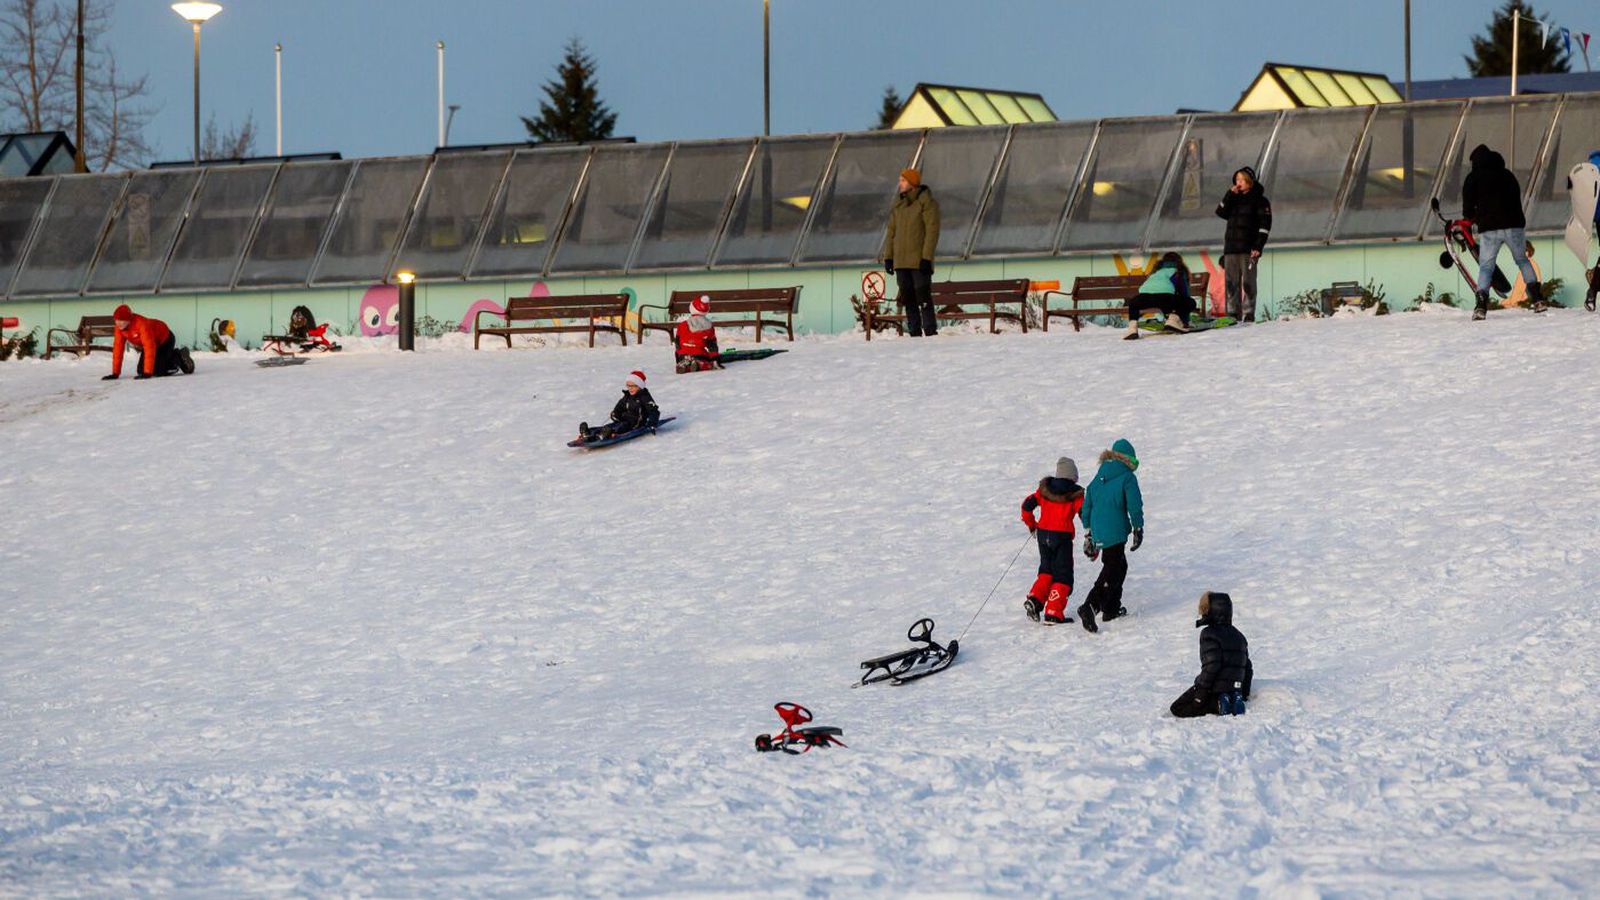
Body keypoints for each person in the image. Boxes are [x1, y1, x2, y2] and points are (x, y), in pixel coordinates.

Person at [1462, 144, 1543, 320]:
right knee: (1522, 260)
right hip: (1514, 225)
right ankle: (1537, 300)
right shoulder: (1507, 175)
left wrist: (1473, 216)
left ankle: (1481, 307)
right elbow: (1516, 198)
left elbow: (1467, 207)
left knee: (1486, 267)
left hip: (1489, 228)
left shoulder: (1474, 177)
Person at [1078, 438, 1144, 633]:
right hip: (1114, 530)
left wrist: (1088, 533)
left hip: (1098, 529)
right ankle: (1091, 605)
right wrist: (1137, 527)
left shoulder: (1098, 478)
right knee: (1113, 567)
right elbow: (1134, 504)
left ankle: (1111, 609)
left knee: (1119, 565)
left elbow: (1086, 506)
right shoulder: (1127, 477)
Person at [1020, 457, 1084, 626]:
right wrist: (1091, 532)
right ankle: (1053, 612)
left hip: (1043, 535)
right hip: (1062, 537)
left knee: (1046, 570)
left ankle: (1035, 599)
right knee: (1063, 574)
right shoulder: (1075, 493)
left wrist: (1032, 525)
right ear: (1073, 476)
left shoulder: (1044, 490)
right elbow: (1084, 512)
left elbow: (1026, 506)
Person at [1170, 591, 1253, 718]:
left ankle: (1217, 703)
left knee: (1177, 708)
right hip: (1235, 688)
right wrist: (1243, 694)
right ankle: (1233, 699)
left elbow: (1212, 666)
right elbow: (1247, 667)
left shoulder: (1209, 633)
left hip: (1215, 689)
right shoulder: (1239, 635)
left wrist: (1200, 695)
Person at [882, 168, 941, 337]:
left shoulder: (927, 203)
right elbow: (891, 232)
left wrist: (926, 257)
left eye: (903, 180)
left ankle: (930, 330)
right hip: (901, 261)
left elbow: (932, 231)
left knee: (923, 296)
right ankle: (914, 331)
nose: (900, 184)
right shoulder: (898, 205)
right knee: (908, 297)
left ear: (912, 183)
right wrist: (889, 257)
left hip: (919, 260)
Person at [1214, 166, 1271, 323]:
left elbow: (1265, 226)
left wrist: (1258, 247)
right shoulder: (1233, 199)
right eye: (1237, 180)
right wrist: (1229, 195)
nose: (1239, 183)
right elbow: (1220, 212)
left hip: (1248, 249)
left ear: (1249, 182)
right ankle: (1232, 312)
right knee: (1231, 282)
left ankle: (1249, 312)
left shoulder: (1260, 201)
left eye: (1242, 180)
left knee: (1248, 282)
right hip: (1231, 248)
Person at [101, 304, 193, 380]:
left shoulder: (142, 325)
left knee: (158, 371)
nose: (118, 323)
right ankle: (162, 363)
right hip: (152, 344)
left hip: (165, 339)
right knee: (141, 371)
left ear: (128, 320)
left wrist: (148, 373)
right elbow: (118, 348)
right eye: (117, 320)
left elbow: (149, 347)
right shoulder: (119, 329)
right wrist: (115, 373)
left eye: (122, 320)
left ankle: (178, 355)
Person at [1123, 252, 1198, 339]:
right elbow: (1184, 294)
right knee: (1190, 302)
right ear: (1179, 262)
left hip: (1141, 298)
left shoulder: (1155, 272)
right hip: (1164, 298)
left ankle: (1132, 329)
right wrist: (1185, 322)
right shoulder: (1178, 271)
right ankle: (1173, 320)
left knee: (1134, 304)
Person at [579, 370, 660, 442]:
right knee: (608, 426)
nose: (630, 388)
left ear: (640, 386)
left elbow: (654, 411)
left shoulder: (645, 397)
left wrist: (652, 424)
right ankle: (588, 432)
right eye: (628, 386)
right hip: (623, 419)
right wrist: (615, 413)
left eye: (633, 386)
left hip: (635, 423)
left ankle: (606, 434)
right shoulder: (627, 396)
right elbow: (620, 406)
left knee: (621, 427)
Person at [673, 294, 721, 373]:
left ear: (691, 308)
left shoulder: (682, 325)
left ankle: (684, 364)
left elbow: (677, 343)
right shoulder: (709, 326)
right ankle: (700, 365)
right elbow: (712, 345)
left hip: (683, 354)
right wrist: (715, 358)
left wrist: (678, 357)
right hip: (699, 354)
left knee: (686, 358)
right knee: (707, 362)